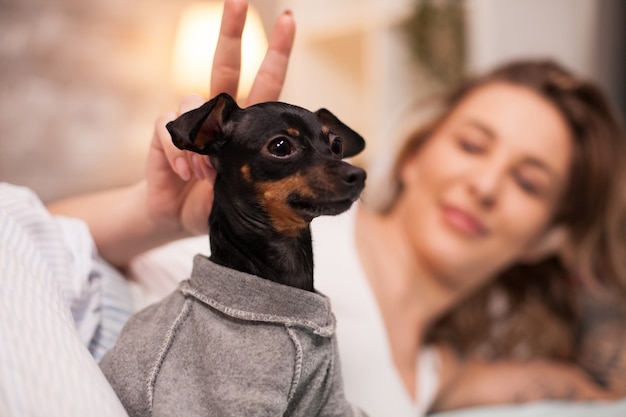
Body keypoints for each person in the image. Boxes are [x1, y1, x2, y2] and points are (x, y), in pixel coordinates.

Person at [2, 1, 625, 417]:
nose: (484, 184)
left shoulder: (447, 376)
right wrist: (157, 216)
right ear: (413, 155)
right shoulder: (279, 229)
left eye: (529, 182)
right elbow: (37, 250)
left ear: (551, 235)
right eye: (470, 144)